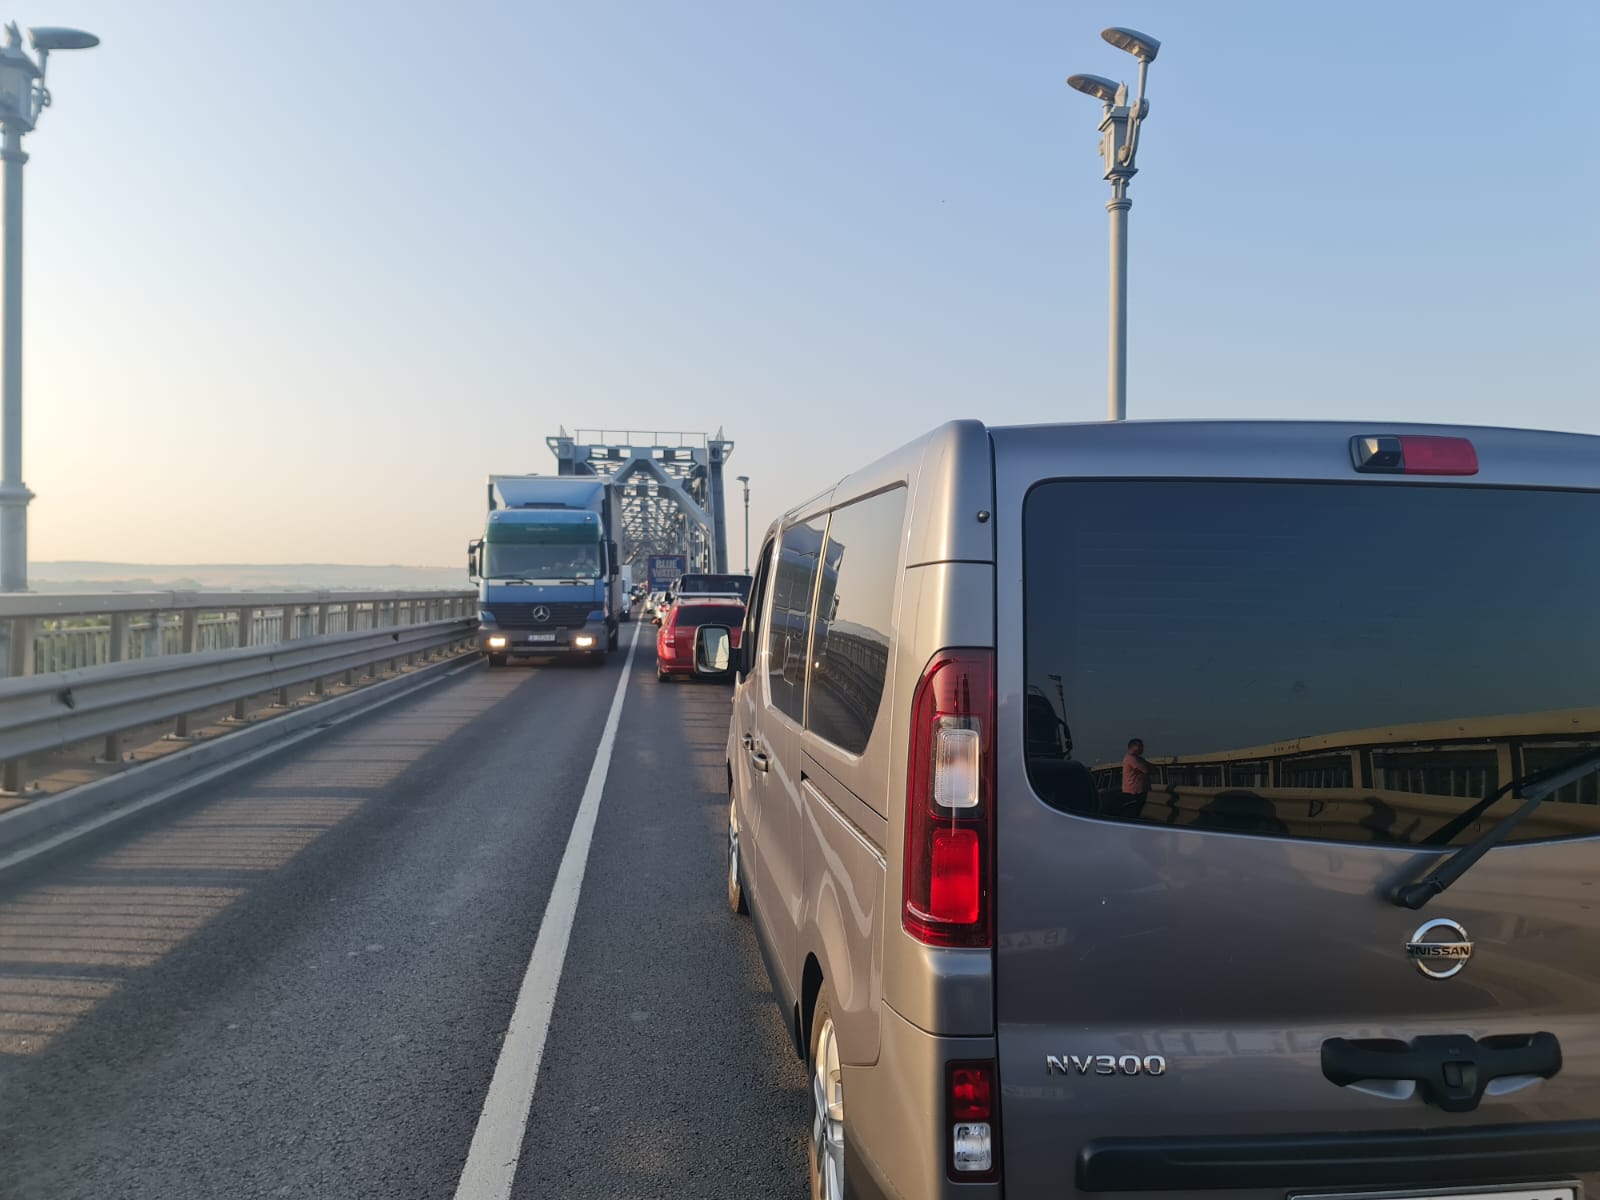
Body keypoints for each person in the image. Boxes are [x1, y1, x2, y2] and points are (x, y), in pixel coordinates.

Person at [1121, 738, 1152, 809]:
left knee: (1136, 809)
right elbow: (1147, 770)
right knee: (1134, 810)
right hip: (1134, 792)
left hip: (1137, 791)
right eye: (1140, 746)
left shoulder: (1137, 758)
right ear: (1132, 747)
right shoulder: (1132, 758)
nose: (1142, 749)